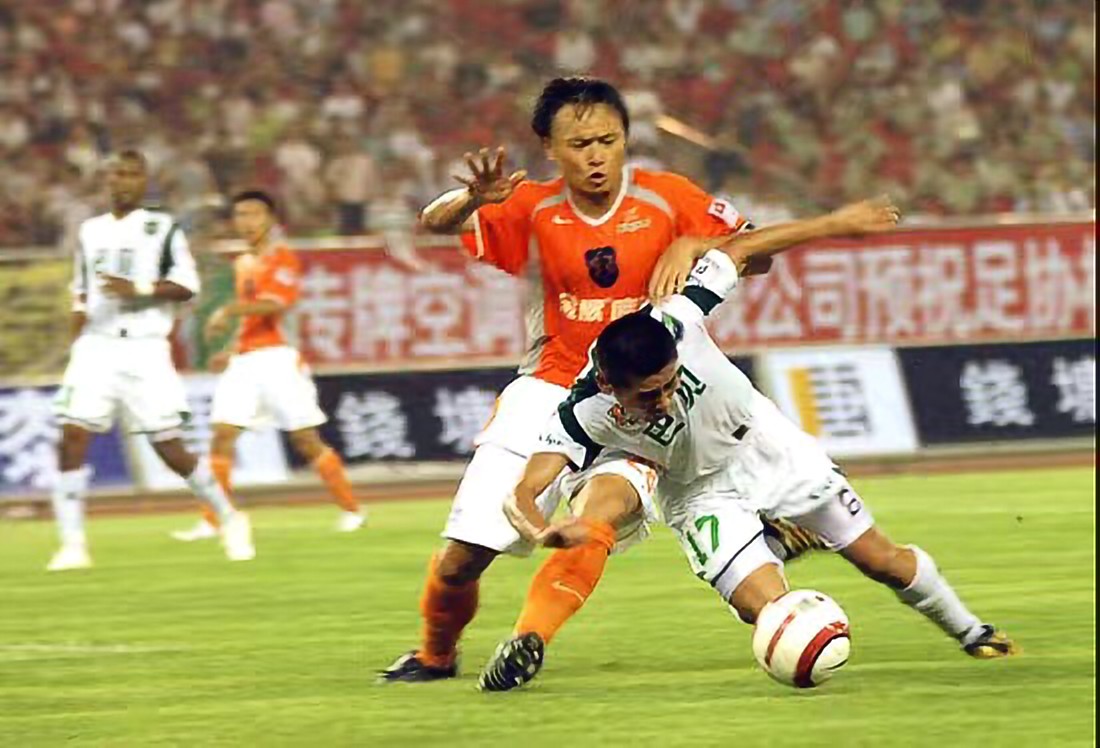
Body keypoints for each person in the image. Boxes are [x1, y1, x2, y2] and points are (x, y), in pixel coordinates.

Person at [379, 76, 898, 683]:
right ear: (550, 147)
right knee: (462, 559)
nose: (596, 156)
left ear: (625, 139)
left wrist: (695, 243)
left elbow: (755, 252)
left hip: (639, 402)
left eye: (609, 140)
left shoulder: (667, 196)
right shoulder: (531, 206)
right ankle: (436, 655)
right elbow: (434, 223)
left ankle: (527, 641)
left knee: (599, 513)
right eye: (580, 145)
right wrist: (472, 199)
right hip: (547, 389)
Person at [481, 245, 1018, 691]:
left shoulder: (677, 318)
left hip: (766, 448)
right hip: (696, 493)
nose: (665, 400)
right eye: (649, 394)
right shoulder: (580, 412)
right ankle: (775, 547)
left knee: (882, 561)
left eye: (671, 383)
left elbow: (738, 249)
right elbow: (523, 491)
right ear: (608, 385)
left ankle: (972, 631)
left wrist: (831, 227)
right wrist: (543, 530)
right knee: (764, 613)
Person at [49, 150, 255, 571]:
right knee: (70, 437)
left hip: (144, 348)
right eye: (116, 174)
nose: (123, 181)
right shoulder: (90, 230)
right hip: (96, 346)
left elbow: (187, 286)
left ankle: (230, 518)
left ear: (144, 182)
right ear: (106, 180)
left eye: (132, 174)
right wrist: (74, 340)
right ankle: (72, 545)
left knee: (169, 448)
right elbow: (80, 292)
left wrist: (138, 288)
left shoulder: (161, 229)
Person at [171, 190, 366, 542]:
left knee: (305, 439)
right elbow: (252, 318)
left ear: (271, 219)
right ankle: (214, 519)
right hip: (245, 361)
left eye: (255, 214)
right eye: (240, 215)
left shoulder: (283, 258)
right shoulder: (244, 262)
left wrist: (227, 311)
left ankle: (351, 510)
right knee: (222, 435)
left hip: (279, 359)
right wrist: (231, 348)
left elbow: (275, 304)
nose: (247, 222)